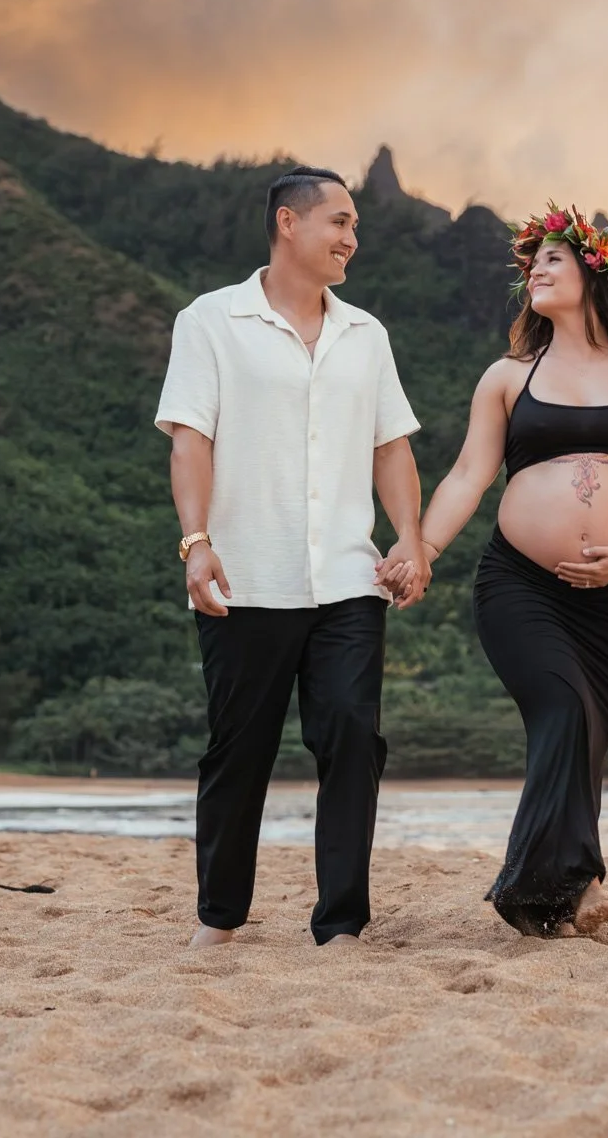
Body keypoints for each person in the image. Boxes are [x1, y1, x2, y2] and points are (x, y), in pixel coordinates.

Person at [393, 203, 608, 936]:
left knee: (586, 734)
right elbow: (469, 475)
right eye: (532, 264)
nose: (537, 270)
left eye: (553, 259)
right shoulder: (507, 376)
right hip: (519, 585)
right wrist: (423, 549)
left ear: (596, 273)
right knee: (562, 710)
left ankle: (563, 895)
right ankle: (559, 885)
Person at [154, 166, 431, 949]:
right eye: (339, 222)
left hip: (349, 576)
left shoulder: (366, 334)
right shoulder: (210, 321)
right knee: (238, 748)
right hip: (247, 576)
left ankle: (340, 923)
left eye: (354, 227)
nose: (352, 239)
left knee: (351, 734)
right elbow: (190, 442)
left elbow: (392, 448)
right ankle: (221, 917)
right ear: (287, 222)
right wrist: (197, 543)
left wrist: (408, 536)